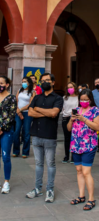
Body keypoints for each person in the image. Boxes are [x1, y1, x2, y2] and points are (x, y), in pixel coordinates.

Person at [26, 73, 62, 203]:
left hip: (49, 136)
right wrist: (45, 113)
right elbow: (30, 112)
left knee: (50, 164)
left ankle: (50, 189)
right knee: (38, 164)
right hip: (36, 134)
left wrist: (38, 110)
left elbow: (54, 113)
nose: (45, 82)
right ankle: (37, 188)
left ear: (53, 82)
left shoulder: (58, 98)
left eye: (47, 80)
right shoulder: (37, 97)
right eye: (42, 81)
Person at [67, 90, 99, 211]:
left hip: (89, 145)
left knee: (86, 172)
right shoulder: (76, 110)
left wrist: (84, 119)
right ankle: (81, 196)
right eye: (82, 99)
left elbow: (97, 127)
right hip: (76, 144)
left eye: (86, 99)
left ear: (90, 99)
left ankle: (91, 199)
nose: (84, 101)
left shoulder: (95, 110)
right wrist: (71, 119)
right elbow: (69, 128)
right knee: (79, 170)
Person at [13, 77, 34, 159]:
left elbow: (31, 104)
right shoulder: (19, 90)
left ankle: (25, 152)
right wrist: (18, 111)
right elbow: (15, 101)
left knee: (26, 132)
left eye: (25, 82)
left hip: (27, 114)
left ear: (29, 82)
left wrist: (21, 109)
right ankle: (16, 151)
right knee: (16, 132)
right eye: (22, 82)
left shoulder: (32, 92)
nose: (23, 83)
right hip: (18, 113)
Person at [61, 82, 79, 163]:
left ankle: (73, 156)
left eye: (71, 87)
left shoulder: (78, 97)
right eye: (68, 87)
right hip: (66, 118)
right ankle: (66, 156)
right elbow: (62, 108)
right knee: (67, 138)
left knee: (74, 138)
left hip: (75, 118)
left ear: (75, 88)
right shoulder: (64, 97)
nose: (70, 89)